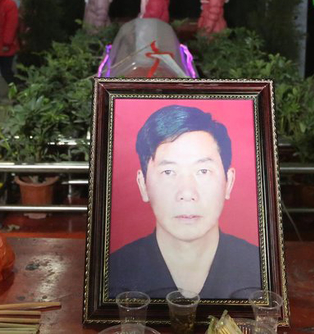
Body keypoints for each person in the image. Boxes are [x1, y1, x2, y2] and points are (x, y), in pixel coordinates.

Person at [109, 105, 261, 299]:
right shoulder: (112, 275)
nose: (187, 193)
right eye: (168, 172)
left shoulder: (260, 269)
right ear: (143, 185)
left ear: (228, 182)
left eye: (203, 171)